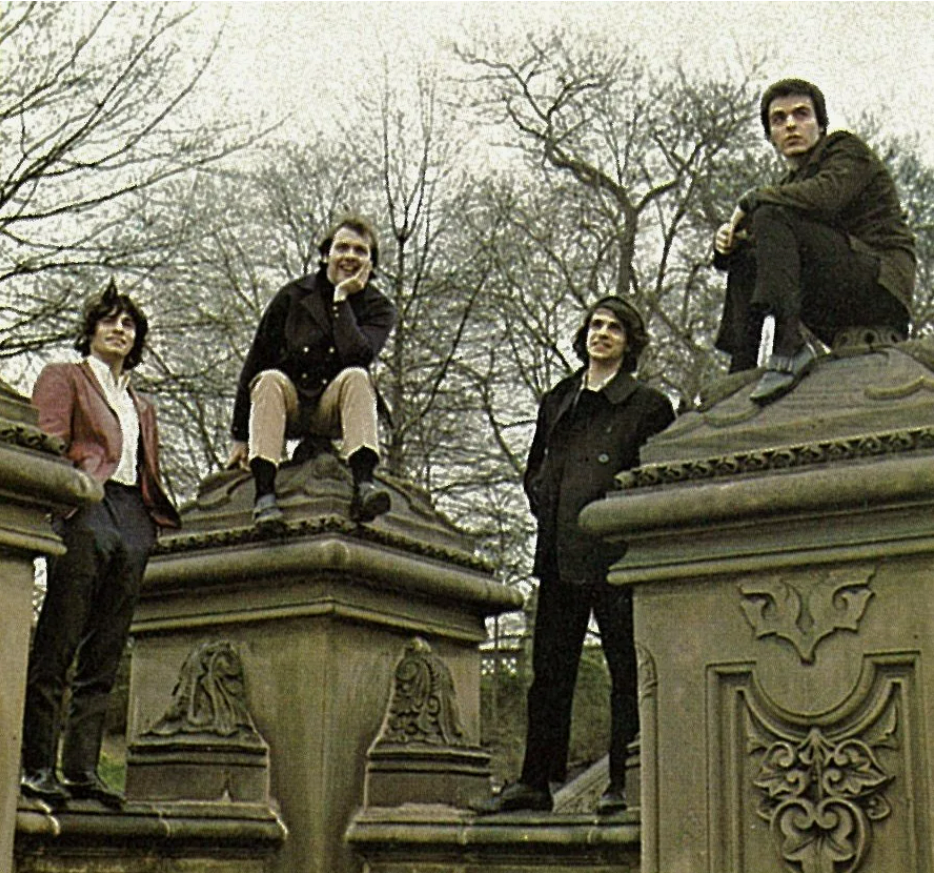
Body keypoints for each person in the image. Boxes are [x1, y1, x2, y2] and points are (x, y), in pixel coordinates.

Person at [478, 296, 675, 815]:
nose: (602, 334)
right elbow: (535, 468)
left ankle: (624, 781)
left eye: (614, 328)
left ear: (629, 342)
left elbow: (654, 476)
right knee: (549, 672)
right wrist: (545, 497)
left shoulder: (648, 405)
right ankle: (535, 781)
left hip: (617, 553)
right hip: (560, 551)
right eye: (595, 325)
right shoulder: (558, 399)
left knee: (627, 668)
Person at [21, 281, 180, 808]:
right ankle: (37, 765)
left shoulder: (141, 403)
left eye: (128, 323)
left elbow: (145, 465)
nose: (119, 329)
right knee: (60, 637)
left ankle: (82, 770)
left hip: (133, 516)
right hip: (86, 506)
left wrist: (152, 520)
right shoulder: (65, 377)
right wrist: (66, 502)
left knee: (106, 648)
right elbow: (48, 444)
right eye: (109, 320)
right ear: (90, 329)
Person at [713, 78, 914, 404]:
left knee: (770, 212)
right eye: (779, 119)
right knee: (749, 250)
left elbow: (826, 196)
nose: (791, 125)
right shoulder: (787, 187)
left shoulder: (846, 150)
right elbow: (765, 242)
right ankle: (741, 365)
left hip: (880, 286)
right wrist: (729, 245)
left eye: (801, 114)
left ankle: (788, 346)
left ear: (820, 125)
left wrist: (751, 200)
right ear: (771, 136)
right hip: (832, 302)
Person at [228, 215, 396, 525]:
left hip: (334, 408)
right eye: (342, 248)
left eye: (360, 251)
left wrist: (341, 300)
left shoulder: (378, 308)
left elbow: (358, 355)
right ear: (325, 254)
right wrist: (239, 435)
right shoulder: (292, 296)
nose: (350, 256)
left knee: (358, 377)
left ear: (371, 263)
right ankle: (264, 494)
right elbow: (256, 361)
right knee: (268, 379)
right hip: (289, 403)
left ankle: (364, 484)